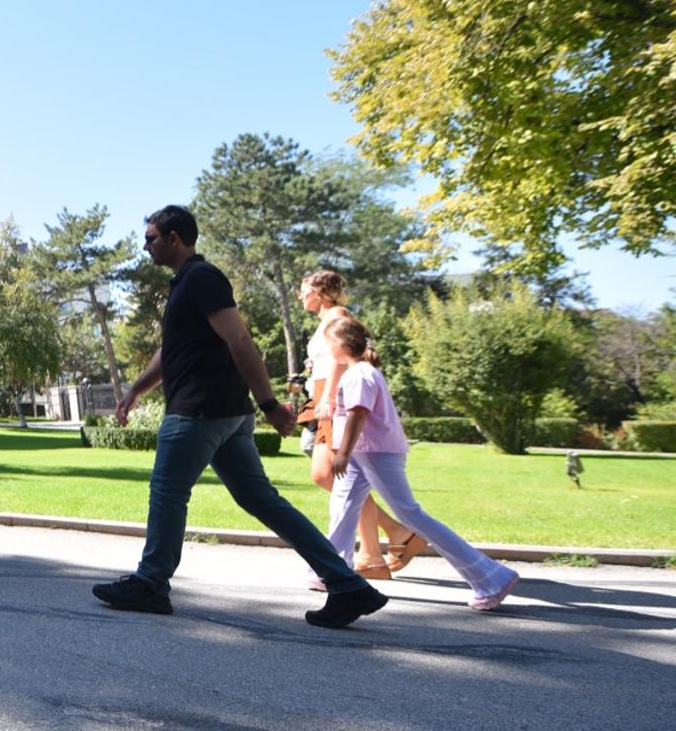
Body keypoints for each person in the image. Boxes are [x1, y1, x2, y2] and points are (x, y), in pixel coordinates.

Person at [91, 205, 388, 629]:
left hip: (199, 410)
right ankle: (347, 584)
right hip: (225, 414)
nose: (145, 246)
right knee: (261, 499)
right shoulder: (186, 284)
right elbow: (172, 349)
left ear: (175, 238)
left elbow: (239, 338)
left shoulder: (201, 277)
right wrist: (138, 388)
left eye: (151, 238)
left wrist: (269, 403)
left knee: (168, 492)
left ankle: (151, 582)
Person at [322, 317, 520, 610]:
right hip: (363, 453)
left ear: (341, 345)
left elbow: (358, 413)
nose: (327, 350)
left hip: (375, 452)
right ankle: (332, 572)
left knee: (410, 514)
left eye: (329, 344)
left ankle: (491, 577)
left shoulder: (360, 374)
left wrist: (342, 453)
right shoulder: (359, 372)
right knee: (343, 504)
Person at [297, 270, 421, 579]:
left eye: (304, 290)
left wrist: (328, 397)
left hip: (331, 398)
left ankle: (376, 551)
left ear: (319, 293)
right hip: (322, 395)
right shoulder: (326, 319)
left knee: (334, 476)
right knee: (329, 476)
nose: (301, 296)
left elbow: (338, 360)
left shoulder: (337, 315)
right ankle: (390, 539)